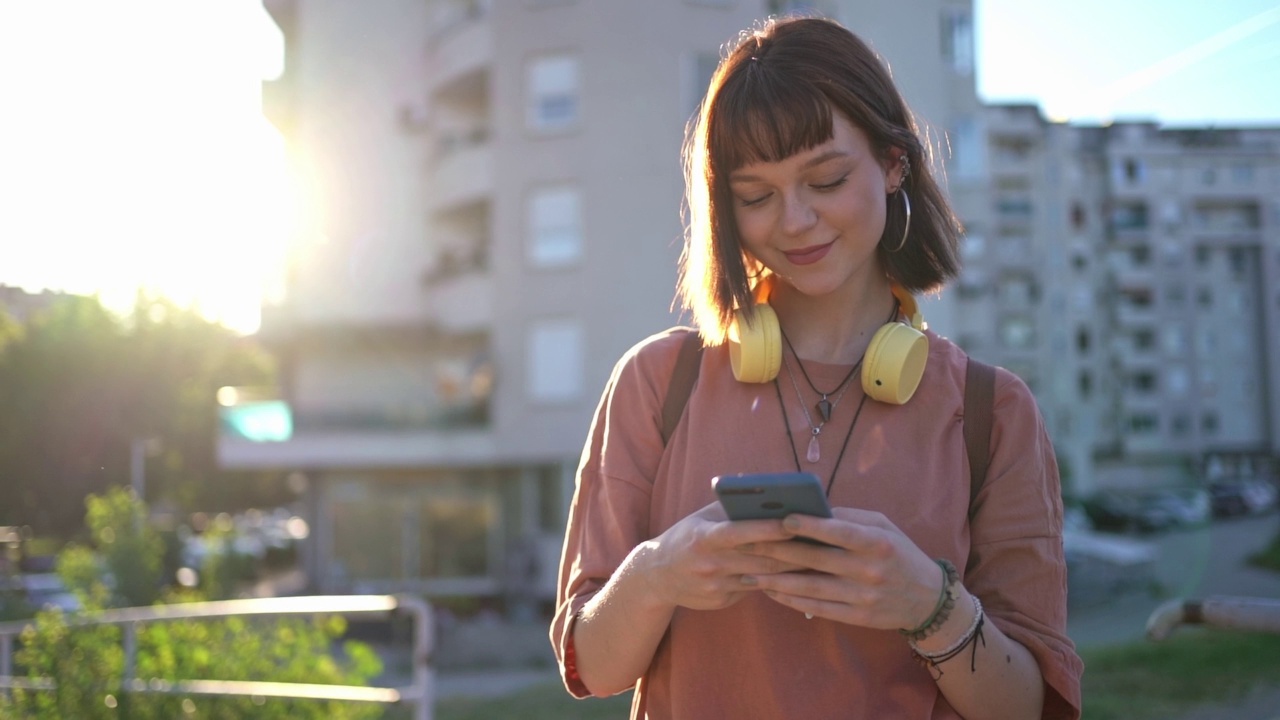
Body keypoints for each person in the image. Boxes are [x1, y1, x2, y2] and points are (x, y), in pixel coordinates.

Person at [551, 15, 1083, 720]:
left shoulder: (993, 411)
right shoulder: (656, 383)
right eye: (755, 196)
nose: (794, 220)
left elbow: (1026, 707)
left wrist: (931, 606)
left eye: (825, 179)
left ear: (895, 163)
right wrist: (657, 573)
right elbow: (597, 664)